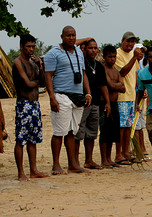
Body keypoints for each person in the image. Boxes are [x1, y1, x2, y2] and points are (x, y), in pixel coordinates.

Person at [44, 26, 92, 175]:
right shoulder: (53, 53)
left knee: (72, 131)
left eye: (73, 35)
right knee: (59, 131)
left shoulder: (78, 51)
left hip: (78, 96)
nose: (71, 38)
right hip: (61, 95)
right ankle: (56, 165)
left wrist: (88, 92)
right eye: (68, 35)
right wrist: (52, 98)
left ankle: (72, 164)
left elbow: (83, 73)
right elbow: (48, 76)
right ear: (62, 37)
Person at [12, 34, 49, 181]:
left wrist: (41, 65)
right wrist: (36, 83)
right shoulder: (18, 62)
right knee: (21, 139)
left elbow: (43, 82)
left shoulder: (33, 63)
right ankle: (21, 172)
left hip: (35, 104)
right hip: (23, 104)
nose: (31, 49)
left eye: (33, 46)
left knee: (33, 139)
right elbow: (28, 83)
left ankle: (33, 170)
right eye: (28, 47)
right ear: (21, 47)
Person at [75, 38, 111, 170]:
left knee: (91, 133)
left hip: (95, 103)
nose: (93, 50)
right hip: (82, 103)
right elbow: (73, 45)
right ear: (84, 49)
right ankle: (75, 162)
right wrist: (86, 38)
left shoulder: (99, 66)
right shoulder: (80, 62)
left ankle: (88, 160)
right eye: (90, 48)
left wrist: (107, 102)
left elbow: (103, 85)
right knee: (78, 133)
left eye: (95, 48)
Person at [114, 31, 142, 165]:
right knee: (121, 127)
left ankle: (126, 152)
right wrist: (134, 58)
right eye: (128, 41)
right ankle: (118, 154)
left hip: (131, 95)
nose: (130, 44)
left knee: (128, 127)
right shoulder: (118, 54)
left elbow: (136, 74)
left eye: (132, 42)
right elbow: (123, 72)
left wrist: (140, 92)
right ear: (122, 41)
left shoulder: (133, 54)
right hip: (121, 96)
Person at [100, 45, 125, 168]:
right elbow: (110, 85)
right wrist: (117, 85)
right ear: (104, 57)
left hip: (115, 104)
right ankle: (104, 159)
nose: (112, 59)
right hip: (105, 104)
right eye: (110, 57)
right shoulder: (103, 70)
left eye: (114, 56)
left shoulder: (116, 71)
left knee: (113, 132)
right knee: (105, 132)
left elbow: (123, 88)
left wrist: (116, 85)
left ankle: (109, 159)